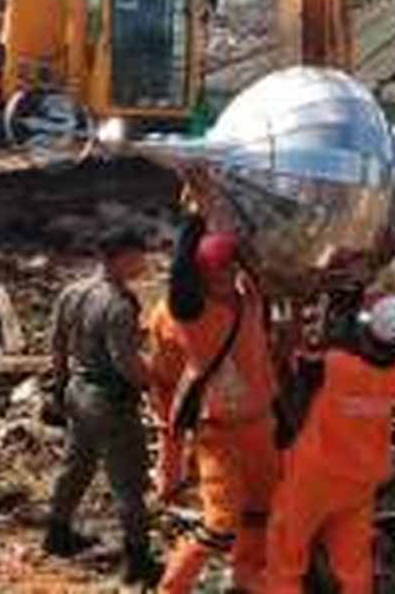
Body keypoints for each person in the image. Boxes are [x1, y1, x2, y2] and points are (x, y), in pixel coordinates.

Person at [150, 231, 281, 593]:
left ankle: (245, 579)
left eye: (229, 268)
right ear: (198, 275)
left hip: (261, 426)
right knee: (220, 525)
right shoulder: (186, 316)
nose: (223, 277)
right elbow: (162, 381)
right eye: (214, 272)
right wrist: (169, 461)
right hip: (217, 433)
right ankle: (172, 587)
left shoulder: (250, 299)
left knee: (262, 511)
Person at [265, 295, 395, 594]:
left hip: (313, 479)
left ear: (369, 332)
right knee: (353, 565)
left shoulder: (334, 366)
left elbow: (288, 354)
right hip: (360, 484)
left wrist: (295, 303)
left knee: (286, 556)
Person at [43, 226, 159, 586]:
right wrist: (155, 381)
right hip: (110, 399)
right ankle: (138, 560)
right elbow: (125, 360)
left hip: (78, 391)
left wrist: (60, 388)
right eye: (139, 255)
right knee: (129, 481)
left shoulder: (73, 291)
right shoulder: (119, 303)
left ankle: (56, 532)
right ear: (122, 257)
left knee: (76, 465)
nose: (144, 262)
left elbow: (57, 344)